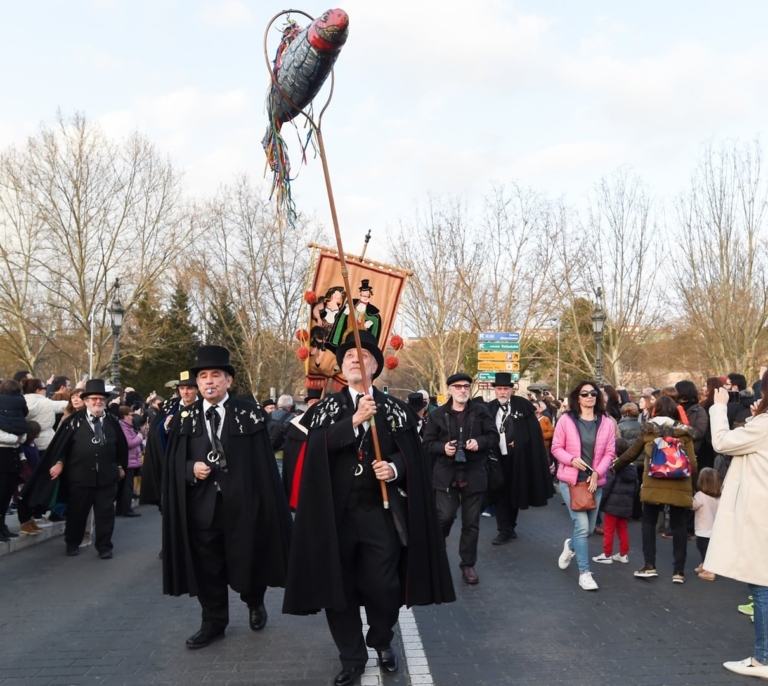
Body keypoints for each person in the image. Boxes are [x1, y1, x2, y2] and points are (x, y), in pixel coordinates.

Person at [283, 330, 454, 686]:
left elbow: (414, 458)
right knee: (339, 588)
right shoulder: (326, 409)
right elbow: (312, 453)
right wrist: (354, 422)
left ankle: (381, 639)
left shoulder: (395, 409)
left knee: (384, 585)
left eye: (361, 357)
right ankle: (351, 656)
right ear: (342, 368)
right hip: (336, 517)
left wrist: (393, 468)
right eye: (347, 358)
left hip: (380, 512)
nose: (353, 361)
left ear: (375, 367)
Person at [162, 346, 292, 650]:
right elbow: (173, 464)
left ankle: (254, 602)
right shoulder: (185, 418)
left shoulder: (248, 412)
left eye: (216, 376)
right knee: (208, 567)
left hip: (243, 506)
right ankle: (213, 622)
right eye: (203, 376)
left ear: (228, 381)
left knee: (249, 559)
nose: (209, 382)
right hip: (203, 509)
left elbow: (263, 460)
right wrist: (190, 469)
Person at [24, 379, 129, 558]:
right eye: (94, 398)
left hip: (106, 476)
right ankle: (72, 543)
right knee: (77, 514)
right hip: (80, 477)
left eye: (101, 399)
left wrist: (119, 466)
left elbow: (121, 446)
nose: (98, 402)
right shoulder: (73, 422)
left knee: (105, 515)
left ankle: (104, 547)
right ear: (86, 401)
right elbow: (61, 448)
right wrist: (59, 463)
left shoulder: (112, 421)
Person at [705, 380, 768, 679]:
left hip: (759, 513)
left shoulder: (764, 425)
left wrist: (718, 407)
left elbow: (722, 442)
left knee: (761, 584)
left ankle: (762, 659)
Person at [422, 372, 497, 584]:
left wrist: (479, 442)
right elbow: (427, 444)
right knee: (444, 518)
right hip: (446, 475)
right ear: (450, 390)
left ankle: (468, 565)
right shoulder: (438, 415)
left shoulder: (481, 412)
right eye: (457, 387)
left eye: (465, 386)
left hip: (474, 474)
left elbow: (493, 437)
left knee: (471, 524)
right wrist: (443, 448)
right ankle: (436, 557)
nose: (462, 390)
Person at [614, 395, 697, 583]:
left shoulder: (648, 430)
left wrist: (614, 467)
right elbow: (692, 463)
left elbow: (630, 454)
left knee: (649, 523)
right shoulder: (684, 432)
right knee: (679, 525)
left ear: (654, 410)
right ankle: (679, 572)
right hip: (680, 483)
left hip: (653, 482)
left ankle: (649, 565)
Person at [551, 380, 616, 591]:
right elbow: (556, 447)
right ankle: (585, 573)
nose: (589, 397)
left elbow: (610, 452)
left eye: (593, 393)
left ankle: (570, 546)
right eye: (585, 393)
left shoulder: (606, 422)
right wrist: (571, 459)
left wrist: (598, 472)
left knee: (587, 530)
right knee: (581, 528)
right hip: (571, 481)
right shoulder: (566, 420)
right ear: (577, 397)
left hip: (594, 483)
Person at [484, 373, 552, 546]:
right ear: (494, 390)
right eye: (499, 389)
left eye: (505, 389)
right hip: (496, 459)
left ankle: (510, 526)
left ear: (511, 389)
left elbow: (532, 434)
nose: (502, 392)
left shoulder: (523, 406)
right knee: (499, 494)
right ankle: (503, 530)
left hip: (517, 459)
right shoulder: (489, 409)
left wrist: (519, 442)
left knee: (515, 493)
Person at [140, 371, 198, 509]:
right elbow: (155, 432)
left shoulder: (204, 406)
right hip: (171, 463)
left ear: (197, 389)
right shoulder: (170, 406)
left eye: (189, 388)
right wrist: (165, 426)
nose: (185, 392)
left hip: (194, 461)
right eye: (182, 388)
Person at [592, 437, 638, 565]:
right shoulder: (632, 467)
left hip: (612, 504)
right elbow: (636, 487)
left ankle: (607, 554)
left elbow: (607, 486)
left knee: (609, 529)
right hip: (626, 504)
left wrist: (601, 502)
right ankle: (623, 554)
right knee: (622, 529)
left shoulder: (614, 467)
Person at [0, 380, 27, 542]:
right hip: (13, 454)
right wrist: (17, 439)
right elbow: (22, 427)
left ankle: (2, 526)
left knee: (4, 493)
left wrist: (13, 439)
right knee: (6, 494)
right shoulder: (20, 407)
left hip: (5, 453)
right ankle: (2, 526)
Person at [22, 378, 68, 458]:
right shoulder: (46, 403)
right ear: (37, 390)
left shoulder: (21, 402)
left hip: (26, 442)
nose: (46, 391)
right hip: (47, 444)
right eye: (45, 388)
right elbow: (66, 405)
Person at [692, 467, 721, 581]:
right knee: (709, 550)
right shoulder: (719, 497)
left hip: (703, 529)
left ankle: (709, 570)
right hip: (714, 529)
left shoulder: (700, 495)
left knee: (703, 548)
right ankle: (705, 565)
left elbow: (693, 506)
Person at [116, 406, 143, 517]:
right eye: (131, 415)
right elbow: (129, 443)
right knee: (127, 486)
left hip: (130, 460)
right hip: (128, 461)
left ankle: (121, 509)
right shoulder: (123, 427)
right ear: (125, 416)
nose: (132, 417)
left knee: (124, 486)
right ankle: (126, 509)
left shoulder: (127, 427)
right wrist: (140, 437)